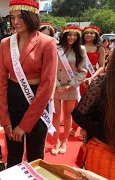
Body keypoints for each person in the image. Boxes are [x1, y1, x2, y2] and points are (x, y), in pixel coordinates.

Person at [0, 0, 57, 168]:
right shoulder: (5, 43)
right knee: (13, 156)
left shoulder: (47, 42)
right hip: (13, 98)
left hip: (37, 100)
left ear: (32, 17)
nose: (16, 22)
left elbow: (47, 86)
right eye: (13, 17)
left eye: (21, 17)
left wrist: (24, 126)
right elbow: (1, 82)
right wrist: (5, 119)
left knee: (35, 155)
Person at [72, 49, 115, 180]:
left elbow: (79, 114)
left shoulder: (102, 82)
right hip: (103, 148)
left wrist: (99, 132)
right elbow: (78, 114)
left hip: (102, 148)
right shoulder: (103, 83)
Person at [51, 25, 88, 155]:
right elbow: (50, 68)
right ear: (64, 35)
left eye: (75, 35)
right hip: (55, 86)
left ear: (78, 37)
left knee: (67, 115)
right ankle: (56, 141)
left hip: (71, 87)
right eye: (69, 34)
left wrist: (69, 85)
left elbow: (83, 71)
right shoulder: (57, 48)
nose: (71, 37)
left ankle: (65, 140)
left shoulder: (81, 49)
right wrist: (56, 84)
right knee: (55, 115)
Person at [70, 25, 105, 139]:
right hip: (79, 77)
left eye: (92, 33)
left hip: (92, 79)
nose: (89, 35)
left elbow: (102, 66)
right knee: (77, 102)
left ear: (96, 35)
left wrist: (93, 77)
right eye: (86, 32)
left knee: (89, 104)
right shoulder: (78, 47)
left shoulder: (100, 48)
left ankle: (84, 129)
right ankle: (74, 126)